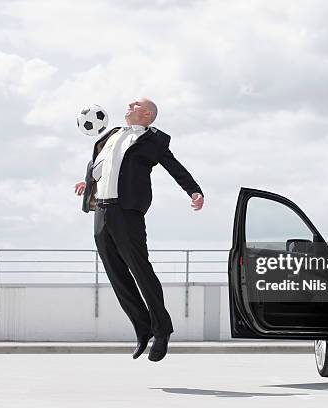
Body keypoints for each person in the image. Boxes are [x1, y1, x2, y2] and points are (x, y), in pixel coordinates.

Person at [74, 97, 204, 362]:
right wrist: (87, 183)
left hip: (128, 212)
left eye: (135, 104)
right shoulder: (110, 136)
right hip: (102, 212)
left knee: (141, 270)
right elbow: (101, 167)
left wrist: (194, 190)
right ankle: (142, 328)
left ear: (146, 114)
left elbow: (174, 167)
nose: (128, 105)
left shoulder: (153, 141)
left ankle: (162, 329)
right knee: (116, 275)